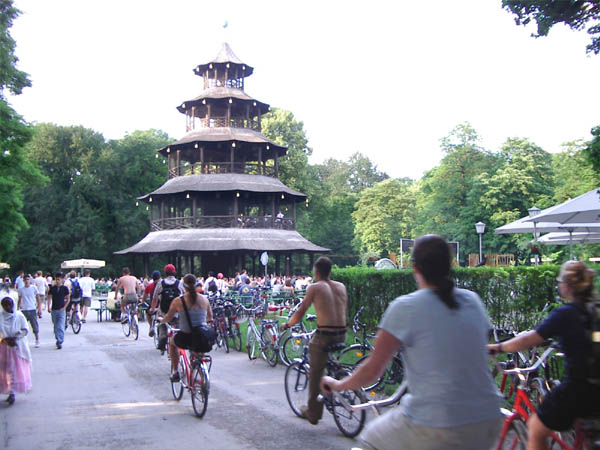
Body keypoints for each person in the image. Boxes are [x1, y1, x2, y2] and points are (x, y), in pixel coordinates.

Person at [319, 235, 501, 449]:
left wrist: (338, 384)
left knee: (370, 440)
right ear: (450, 264)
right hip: (488, 417)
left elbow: (372, 370)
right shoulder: (472, 300)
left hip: (437, 421)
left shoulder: (406, 307)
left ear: (414, 267)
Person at [488, 260, 600, 450]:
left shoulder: (566, 313)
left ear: (567, 286)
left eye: (560, 282)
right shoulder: (596, 310)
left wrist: (499, 347)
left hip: (577, 390)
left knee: (536, 428)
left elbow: (531, 339)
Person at [281, 256, 348, 425]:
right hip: (342, 333)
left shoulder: (314, 287)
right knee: (330, 361)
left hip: (325, 335)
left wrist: (287, 324)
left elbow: (301, 311)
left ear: (316, 271)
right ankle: (338, 376)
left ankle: (313, 412)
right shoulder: (341, 286)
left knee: (315, 373)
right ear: (330, 271)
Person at [160, 273, 213, 382]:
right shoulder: (204, 299)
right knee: (198, 355)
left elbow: (169, 317)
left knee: (172, 344)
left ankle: (175, 371)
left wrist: (161, 320)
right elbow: (210, 317)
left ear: (183, 286)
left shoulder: (178, 301)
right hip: (202, 336)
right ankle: (203, 380)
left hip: (185, 336)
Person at [0, 296, 32, 405]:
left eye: (9, 304)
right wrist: (4, 339)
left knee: (14, 370)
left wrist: (15, 338)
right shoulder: (1, 317)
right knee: (6, 370)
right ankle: (10, 391)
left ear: (13, 304)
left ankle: (12, 392)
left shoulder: (19, 316)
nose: (7, 307)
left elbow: (25, 330)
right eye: (5, 305)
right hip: (4, 348)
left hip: (17, 347)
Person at [152, 264, 184, 352]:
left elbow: (155, 298)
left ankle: (162, 337)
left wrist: (152, 308)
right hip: (177, 312)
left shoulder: (160, 283)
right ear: (174, 272)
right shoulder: (180, 283)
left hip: (164, 311)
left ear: (165, 273)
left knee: (162, 322)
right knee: (178, 326)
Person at [47, 272, 70, 349]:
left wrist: (64, 307)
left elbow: (68, 298)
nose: (57, 281)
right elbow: (49, 297)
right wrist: (48, 307)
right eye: (56, 279)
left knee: (60, 326)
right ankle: (57, 337)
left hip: (61, 309)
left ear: (62, 280)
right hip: (54, 309)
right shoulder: (52, 288)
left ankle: (60, 341)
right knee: (56, 325)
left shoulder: (64, 288)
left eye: (59, 279)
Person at [17, 274, 41, 347]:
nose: (26, 281)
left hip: (32, 309)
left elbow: (38, 298)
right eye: (25, 280)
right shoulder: (21, 289)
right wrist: (18, 309)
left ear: (29, 280)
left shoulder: (33, 288)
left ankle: (37, 340)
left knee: (34, 325)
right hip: (24, 309)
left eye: (27, 279)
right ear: (23, 281)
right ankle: (22, 340)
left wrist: (39, 308)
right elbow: (19, 299)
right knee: (22, 326)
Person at [144, 270, 161, 336]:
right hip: (161, 305)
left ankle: (151, 326)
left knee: (147, 312)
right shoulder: (163, 285)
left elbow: (144, 298)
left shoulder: (149, 286)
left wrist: (142, 301)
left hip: (153, 306)